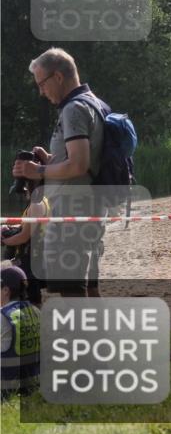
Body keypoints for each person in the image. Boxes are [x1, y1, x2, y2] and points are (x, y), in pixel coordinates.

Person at [12, 48, 108, 297]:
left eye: (42, 84)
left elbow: (79, 165)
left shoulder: (74, 109)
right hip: (90, 207)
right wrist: (50, 160)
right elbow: (83, 162)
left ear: (57, 77)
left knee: (71, 292)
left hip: (72, 213)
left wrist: (39, 170)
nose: (41, 92)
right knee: (87, 286)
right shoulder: (95, 103)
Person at [0, 170, 50, 306]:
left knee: (30, 298)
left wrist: (4, 241)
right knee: (33, 298)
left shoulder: (36, 204)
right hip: (37, 255)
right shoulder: (42, 201)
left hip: (31, 257)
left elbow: (24, 236)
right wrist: (8, 228)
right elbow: (29, 226)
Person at [0, 264, 41, 399]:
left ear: (6, 290)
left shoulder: (3, 316)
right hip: (33, 383)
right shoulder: (36, 311)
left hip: (7, 387)